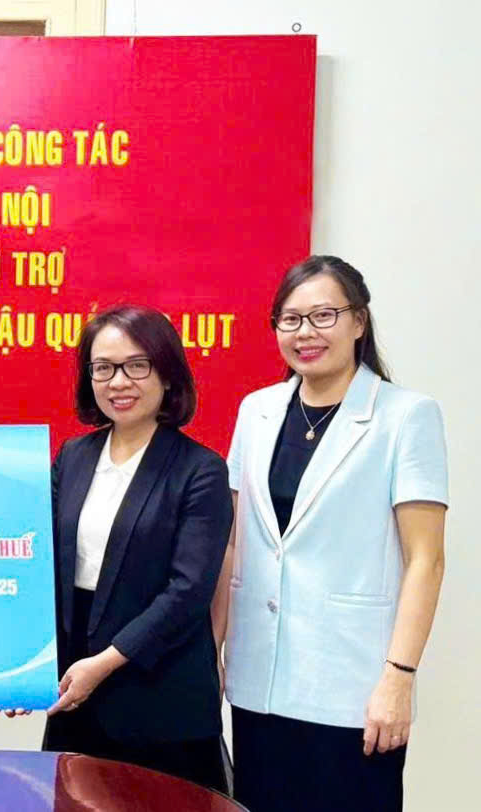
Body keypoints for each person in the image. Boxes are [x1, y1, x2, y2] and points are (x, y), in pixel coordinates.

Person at [215, 256, 448, 811]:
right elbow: (233, 541)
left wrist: (399, 678)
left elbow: (426, 560)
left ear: (359, 321)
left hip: (353, 686)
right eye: (290, 319)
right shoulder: (257, 411)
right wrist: (213, 649)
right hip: (259, 679)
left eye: (324, 315)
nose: (305, 333)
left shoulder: (406, 416)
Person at [39, 305, 231, 792]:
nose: (118, 382)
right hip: (76, 696)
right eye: (103, 368)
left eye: (136, 365)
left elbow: (188, 593)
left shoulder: (200, 470)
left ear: (166, 373)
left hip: (160, 703)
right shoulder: (73, 456)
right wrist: (28, 672)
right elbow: (44, 569)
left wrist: (103, 664)